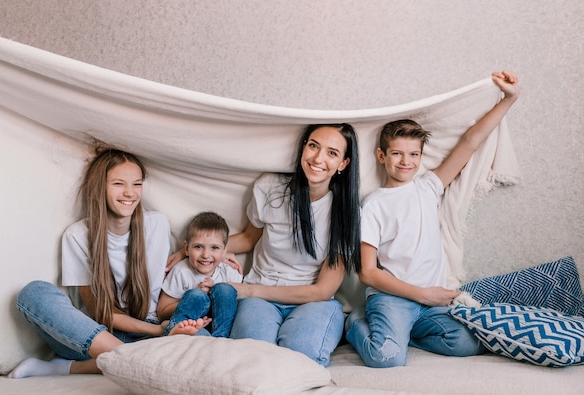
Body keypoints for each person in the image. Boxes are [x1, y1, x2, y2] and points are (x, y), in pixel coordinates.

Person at [345, 70, 520, 368]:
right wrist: (424, 294)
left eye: (413, 154)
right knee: (386, 357)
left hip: (431, 304)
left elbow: (470, 141)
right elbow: (368, 273)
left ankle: (404, 333)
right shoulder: (373, 205)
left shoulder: (428, 187)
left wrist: (509, 98)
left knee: (468, 343)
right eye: (397, 153)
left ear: (421, 157)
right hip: (394, 298)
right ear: (381, 155)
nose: (405, 161)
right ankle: (354, 322)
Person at [9, 146, 204, 378]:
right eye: (119, 183)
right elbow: (99, 312)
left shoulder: (157, 224)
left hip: (153, 333)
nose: (130, 193)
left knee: (204, 345)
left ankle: (70, 367)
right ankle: (133, 360)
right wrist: (156, 331)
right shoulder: (77, 236)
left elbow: (206, 246)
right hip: (95, 337)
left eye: (137, 184)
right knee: (33, 293)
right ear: (100, 187)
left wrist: (196, 253)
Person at [227, 123, 361, 367]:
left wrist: (249, 291)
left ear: (343, 164)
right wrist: (198, 248)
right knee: (252, 358)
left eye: (332, 153)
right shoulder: (270, 187)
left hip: (312, 302)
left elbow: (322, 290)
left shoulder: (348, 212)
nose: (318, 158)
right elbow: (248, 238)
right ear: (303, 148)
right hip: (261, 295)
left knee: (301, 357)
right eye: (313, 146)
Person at [158, 211, 242, 337]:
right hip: (192, 327)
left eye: (214, 248)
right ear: (186, 248)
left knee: (224, 289)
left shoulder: (228, 272)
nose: (206, 255)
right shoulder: (181, 272)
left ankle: (221, 340)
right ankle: (175, 332)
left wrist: (214, 292)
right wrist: (194, 297)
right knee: (195, 295)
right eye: (198, 247)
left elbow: (236, 304)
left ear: (224, 250)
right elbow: (162, 311)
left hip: (220, 328)